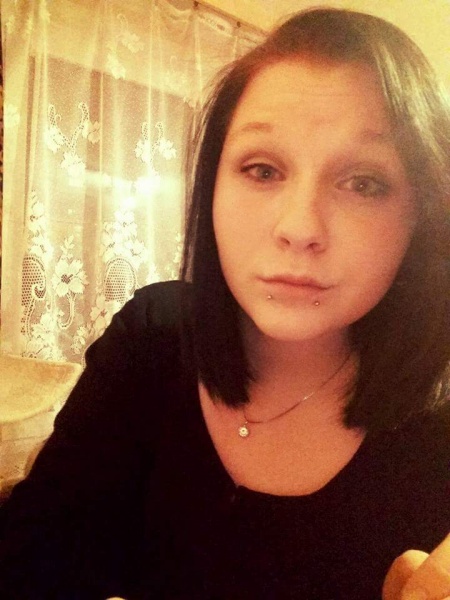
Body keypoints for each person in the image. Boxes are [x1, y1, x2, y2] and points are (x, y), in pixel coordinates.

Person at [1, 7, 450, 600]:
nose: (299, 227)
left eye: (363, 182)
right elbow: (30, 558)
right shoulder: (154, 337)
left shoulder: (436, 431)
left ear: (422, 215)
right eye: (262, 170)